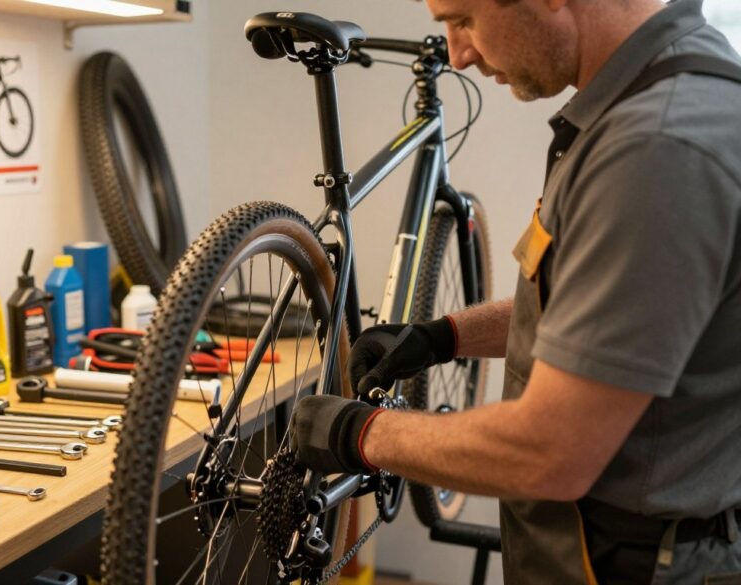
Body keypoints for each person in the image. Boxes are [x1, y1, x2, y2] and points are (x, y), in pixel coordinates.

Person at [290, 0, 741, 582]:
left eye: (464, 18)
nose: (458, 52)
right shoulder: (656, 95)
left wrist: (362, 433)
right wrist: (441, 336)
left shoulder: (657, 148)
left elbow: (549, 452)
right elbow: (588, 309)